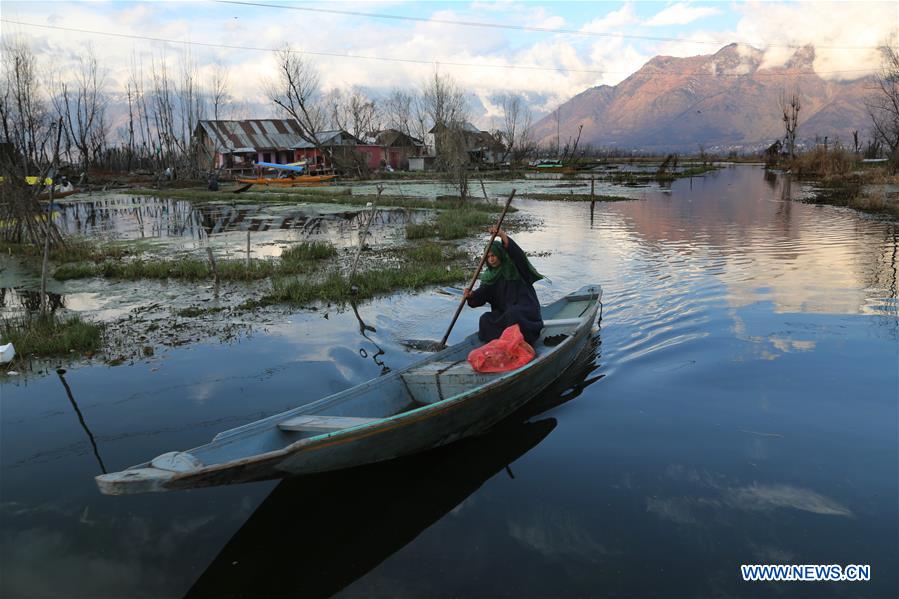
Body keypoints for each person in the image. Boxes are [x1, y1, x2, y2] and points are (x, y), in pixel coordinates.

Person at [463, 227, 544, 345]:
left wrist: (502, 235)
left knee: (513, 313)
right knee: (485, 319)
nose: (491, 259)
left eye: (494, 255)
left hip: (525, 311)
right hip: (504, 313)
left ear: (500, 254)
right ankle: (500, 343)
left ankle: (519, 341)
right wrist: (471, 295)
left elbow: (517, 255)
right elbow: (481, 295)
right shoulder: (489, 276)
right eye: (488, 257)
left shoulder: (515, 267)